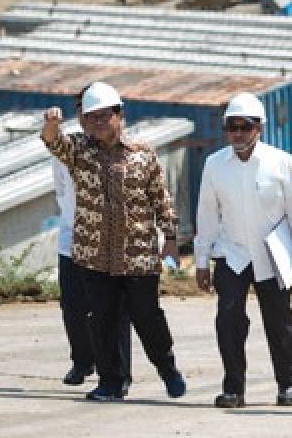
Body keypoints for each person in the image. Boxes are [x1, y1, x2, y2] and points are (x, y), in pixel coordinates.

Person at [41, 82, 187, 402]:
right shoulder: (79, 150)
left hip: (138, 255)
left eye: (103, 117)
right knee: (102, 320)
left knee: (147, 318)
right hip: (93, 255)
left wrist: (171, 239)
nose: (97, 123)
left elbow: (161, 199)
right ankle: (111, 381)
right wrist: (51, 124)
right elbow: (53, 143)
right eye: (90, 117)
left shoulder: (142, 155)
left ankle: (168, 368)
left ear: (119, 115)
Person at [194, 93, 292, 409]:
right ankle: (234, 389)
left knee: (280, 321)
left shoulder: (281, 162)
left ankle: (288, 385)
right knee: (228, 320)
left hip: (272, 253)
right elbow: (207, 214)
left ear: (258, 128)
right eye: (231, 128)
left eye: (244, 127)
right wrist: (201, 260)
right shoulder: (215, 165)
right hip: (232, 253)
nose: (237, 134)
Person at [53, 90, 133, 393]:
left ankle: (118, 374)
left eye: (100, 113)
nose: (92, 118)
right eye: (85, 112)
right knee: (73, 305)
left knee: (114, 310)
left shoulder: (126, 149)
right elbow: (61, 190)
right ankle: (83, 361)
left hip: (111, 242)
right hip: (72, 239)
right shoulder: (66, 149)